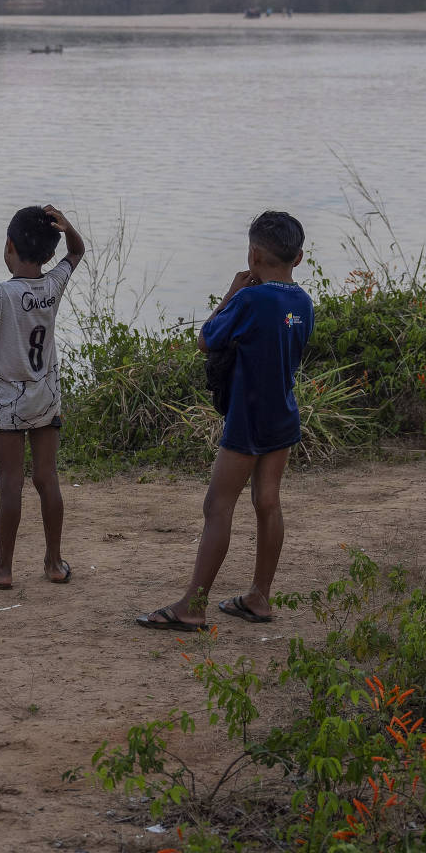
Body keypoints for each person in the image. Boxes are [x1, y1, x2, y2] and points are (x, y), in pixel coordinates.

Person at [138, 211, 313, 629]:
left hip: (247, 417)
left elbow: (206, 338)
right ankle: (260, 596)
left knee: (218, 505)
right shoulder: (302, 302)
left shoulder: (250, 300)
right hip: (283, 414)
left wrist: (230, 293)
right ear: (300, 258)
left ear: (253, 254)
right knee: (267, 503)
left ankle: (192, 606)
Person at [0, 204, 85, 591]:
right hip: (46, 397)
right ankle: (53, 562)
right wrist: (68, 227)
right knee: (47, 478)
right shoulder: (52, 285)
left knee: (10, 482)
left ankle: (3, 568)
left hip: (10, 402)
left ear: (9, 245)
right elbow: (78, 252)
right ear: (49, 254)